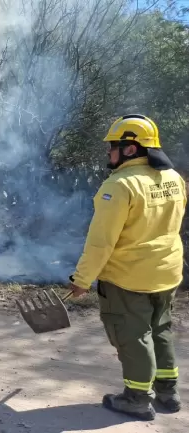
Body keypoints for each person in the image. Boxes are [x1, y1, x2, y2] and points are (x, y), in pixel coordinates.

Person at [68, 114, 186, 420]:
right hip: (167, 273)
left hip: (129, 278)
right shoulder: (174, 178)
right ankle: (168, 392)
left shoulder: (119, 185)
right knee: (160, 330)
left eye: (113, 146)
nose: (109, 152)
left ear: (131, 149)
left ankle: (135, 398)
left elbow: (101, 242)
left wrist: (82, 280)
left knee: (132, 336)